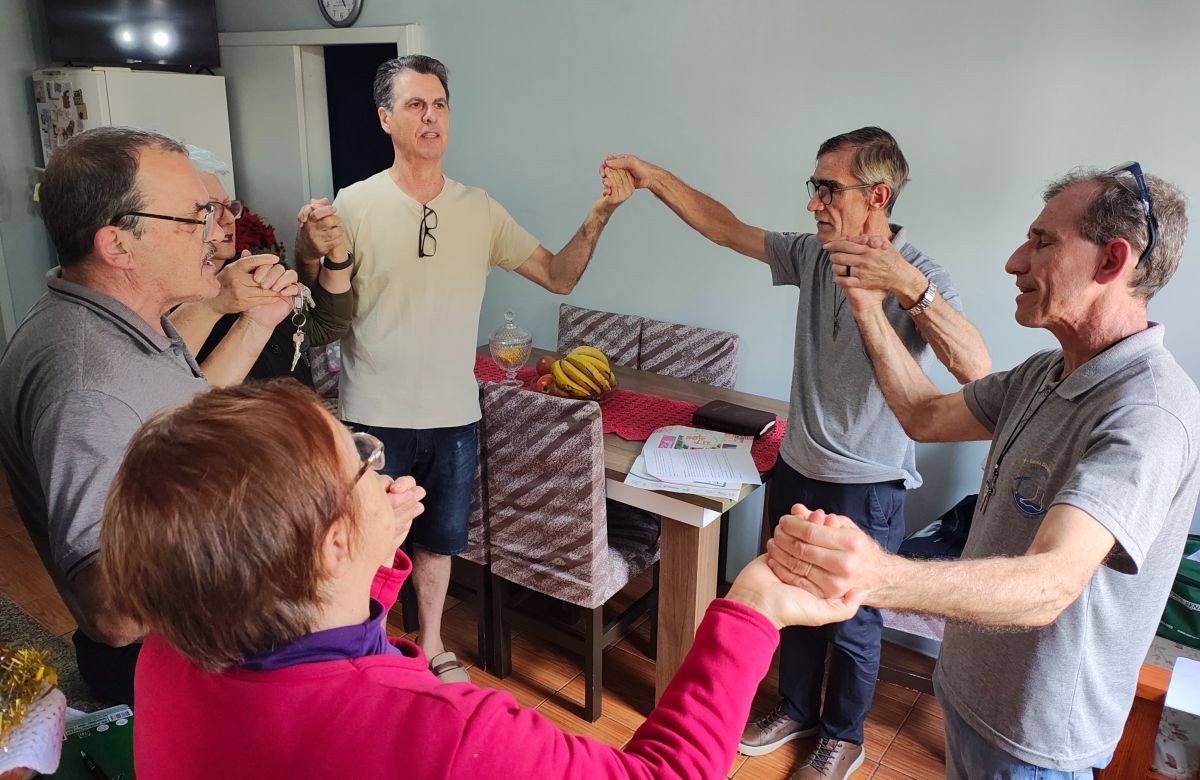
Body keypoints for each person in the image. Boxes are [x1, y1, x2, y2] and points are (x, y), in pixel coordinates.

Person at [98, 379, 864, 779]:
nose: (380, 466)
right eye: (361, 458)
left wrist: (375, 551)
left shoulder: (170, 652)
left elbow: (315, 646)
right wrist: (751, 608)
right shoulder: (449, 734)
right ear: (329, 546)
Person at [767, 163, 1198, 777]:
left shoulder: (1148, 412)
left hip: (1038, 737)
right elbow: (921, 413)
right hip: (969, 695)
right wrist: (865, 306)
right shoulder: (1040, 376)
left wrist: (874, 575)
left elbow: (1051, 583)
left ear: (1112, 261)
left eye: (1043, 242)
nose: (1015, 261)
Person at [603, 128, 991, 779]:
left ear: (877, 195)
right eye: (813, 187)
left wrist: (908, 286)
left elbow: (975, 366)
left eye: (826, 188)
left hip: (869, 485)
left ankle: (843, 735)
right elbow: (726, 228)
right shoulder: (813, 255)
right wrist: (654, 176)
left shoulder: (922, 273)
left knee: (855, 620)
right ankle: (795, 707)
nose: (813, 202)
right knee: (790, 594)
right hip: (798, 464)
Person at [293, 55, 635, 683]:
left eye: (440, 104)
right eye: (416, 104)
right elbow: (319, 298)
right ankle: (368, 654)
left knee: (440, 541)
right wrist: (305, 245)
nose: (431, 116)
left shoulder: (480, 210)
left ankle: (429, 644)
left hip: (454, 414)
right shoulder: (355, 203)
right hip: (373, 413)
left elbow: (559, 275)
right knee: (369, 545)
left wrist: (600, 214)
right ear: (385, 118)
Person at [0, 127, 298, 704]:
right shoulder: (88, 384)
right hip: (165, 666)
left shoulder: (115, 318)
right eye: (195, 217)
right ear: (117, 245)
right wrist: (272, 534)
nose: (214, 232)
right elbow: (113, 610)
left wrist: (257, 321)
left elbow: (178, 410)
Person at [167, 145, 354, 386]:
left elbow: (326, 325)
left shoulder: (255, 268)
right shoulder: (167, 298)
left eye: (230, 207)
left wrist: (334, 250)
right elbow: (170, 392)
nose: (227, 219)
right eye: (211, 209)